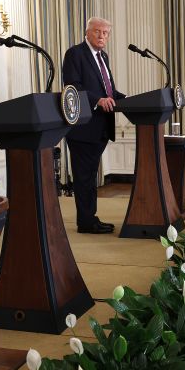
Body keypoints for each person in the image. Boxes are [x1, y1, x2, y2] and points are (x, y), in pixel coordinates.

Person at [62, 17, 126, 234]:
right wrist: (97, 100)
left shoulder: (103, 56)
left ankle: (90, 218)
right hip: (83, 127)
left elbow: (109, 91)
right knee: (84, 177)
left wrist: (130, 101)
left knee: (90, 176)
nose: (101, 36)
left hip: (100, 126)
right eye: (97, 31)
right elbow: (73, 86)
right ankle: (86, 222)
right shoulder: (75, 53)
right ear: (87, 32)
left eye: (106, 33)